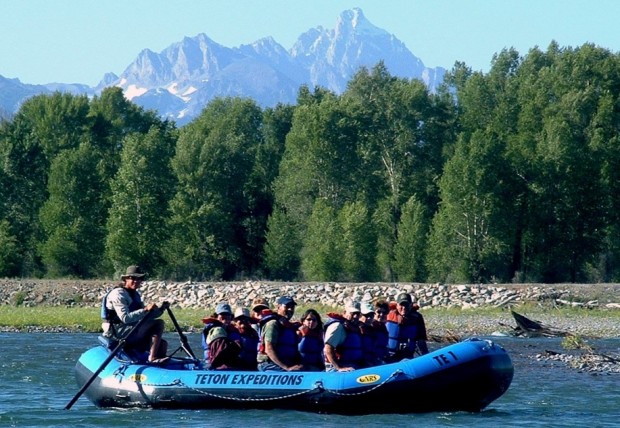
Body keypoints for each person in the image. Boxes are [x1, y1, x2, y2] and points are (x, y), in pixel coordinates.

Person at [101, 265, 169, 364]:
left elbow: (145, 316)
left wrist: (161, 309)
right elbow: (125, 318)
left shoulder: (135, 294)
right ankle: (152, 358)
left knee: (162, 344)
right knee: (158, 324)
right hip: (116, 331)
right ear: (125, 279)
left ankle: (160, 367)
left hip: (129, 329)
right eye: (132, 278)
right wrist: (145, 309)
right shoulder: (118, 294)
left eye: (139, 279)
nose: (136, 281)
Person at [257, 295, 303, 371]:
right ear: (278, 307)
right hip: (269, 364)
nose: (290, 309)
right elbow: (269, 349)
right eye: (287, 306)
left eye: (292, 307)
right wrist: (286, 368)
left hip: (285, 362)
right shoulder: (272, 324)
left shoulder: (289, 326)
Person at [386, 292, 429, 361]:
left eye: (406, 305)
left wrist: (427, 358)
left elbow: (421, 341)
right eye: (401, 305)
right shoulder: (387, 315)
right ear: (397, 305)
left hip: (407, 357)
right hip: (389, 356)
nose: (404, 308)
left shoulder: (417, 318)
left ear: (411, 305)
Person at [323, 300, 364, 372]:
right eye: (352, 313)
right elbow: (328, 349)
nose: (355, 316)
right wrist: (338, 368)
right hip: (336, 368)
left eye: (357, 314)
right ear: (344, 313)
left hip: (353, 364)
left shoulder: (354, 328)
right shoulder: (337, 326)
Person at [358, 301, 385, 367]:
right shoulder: (356, 329)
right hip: (359, 363)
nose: (369, 318)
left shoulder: (372, 330)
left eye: (371, 315)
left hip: (372, 360)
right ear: (360, 315)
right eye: (366, 315)